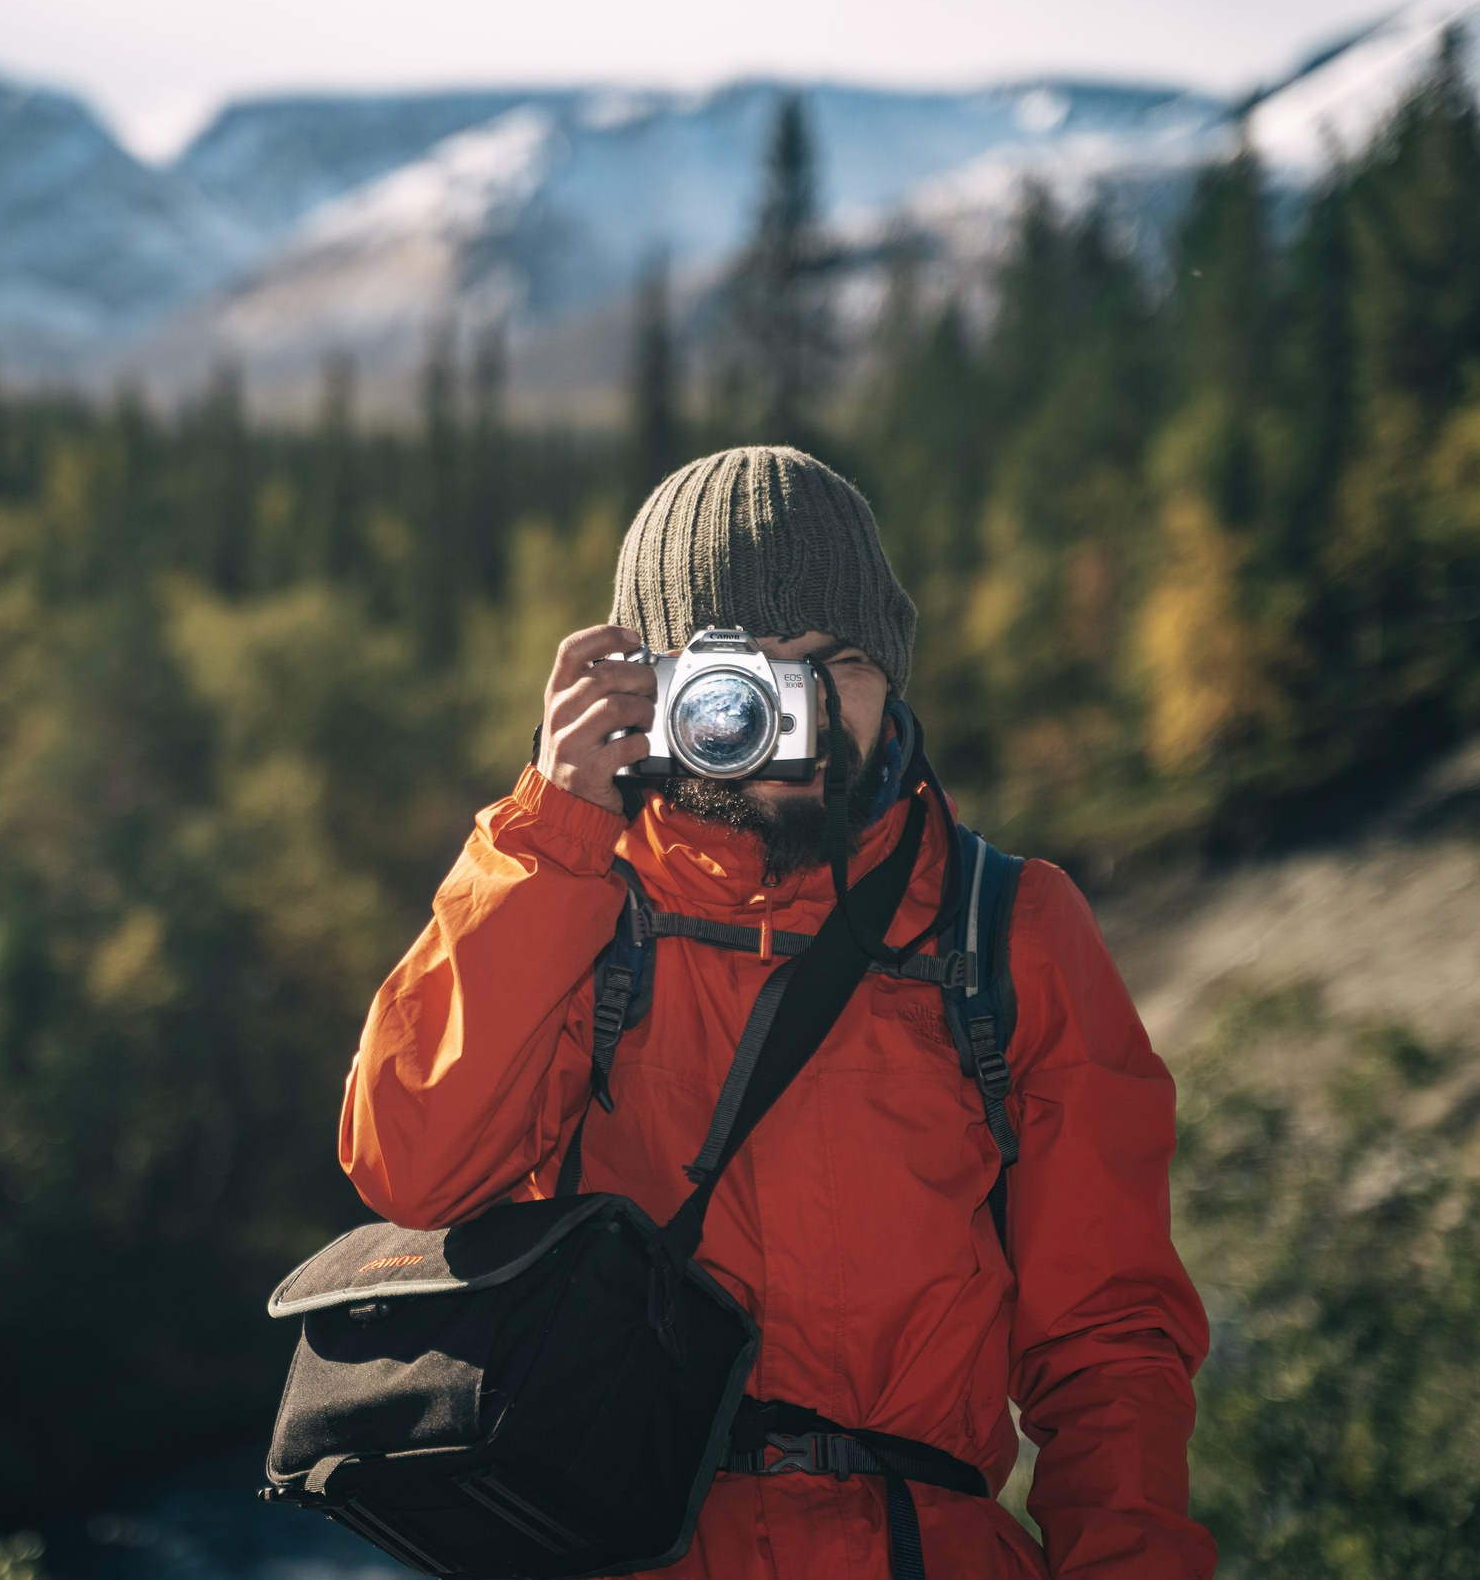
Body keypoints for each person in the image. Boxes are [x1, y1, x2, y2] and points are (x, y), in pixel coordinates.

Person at [338, 447, 1214, 1580]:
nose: (794, 712)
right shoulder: (572, 901)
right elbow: (410, 1170)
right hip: (633, 1544)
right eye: (744, 673)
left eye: (832, 663)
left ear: (890, 673)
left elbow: (1108, 1343)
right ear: (650, 687)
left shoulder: (1005, 929)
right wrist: (551, 828)